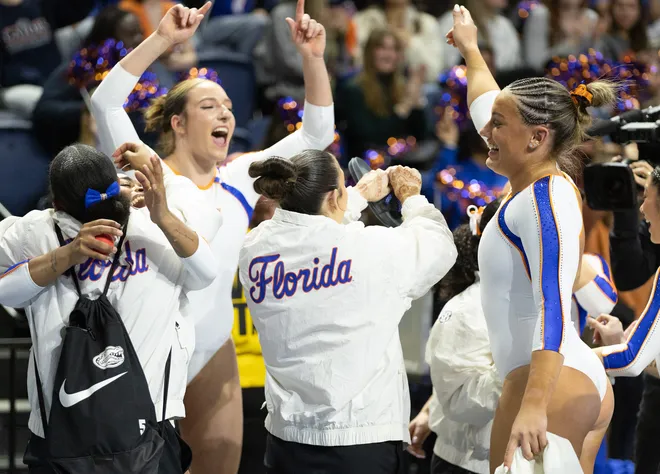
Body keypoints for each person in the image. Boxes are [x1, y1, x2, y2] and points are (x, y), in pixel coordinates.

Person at [90, 2, 335, 472]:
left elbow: (318, 134)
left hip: (214, 346)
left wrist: (312, 58)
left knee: (219, 467)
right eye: (208, 106)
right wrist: (163, 40)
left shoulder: (241, 176)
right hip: (148, 344)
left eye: (227, 106)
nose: (224, 113)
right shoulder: (145, 168)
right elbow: (105, 102)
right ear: (177, 123)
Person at [446, 5, 616, 472]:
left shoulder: (547, 201)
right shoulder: (527, 180)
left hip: (546, 383)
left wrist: (535, 403)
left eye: (499, 126)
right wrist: (471, 50)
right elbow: (486, 100)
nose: (487, 132)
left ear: (537, 137)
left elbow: (555, 305)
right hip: (564, 376)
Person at [0, 143, 221, 473]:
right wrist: (66, 255)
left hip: (150, 422)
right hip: (61, 426)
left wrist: (162, 214)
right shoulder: (38, 231)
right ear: (57, 207)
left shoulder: (156, 221)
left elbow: (206, 272)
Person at [238, 153, 457, 473]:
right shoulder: (369, 248)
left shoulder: (254, 250)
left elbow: (304, 225)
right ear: (332, 196)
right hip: (359, 440)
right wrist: (412, 198)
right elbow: (438, 245)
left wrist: (355, 195)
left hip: (286, 440)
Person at [406, 203, 617, 474]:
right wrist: (533, 373)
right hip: (471, 464)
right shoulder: (468, 309)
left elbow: (604, 301)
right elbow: (458, 400)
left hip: (530, 457)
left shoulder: (549, 297)